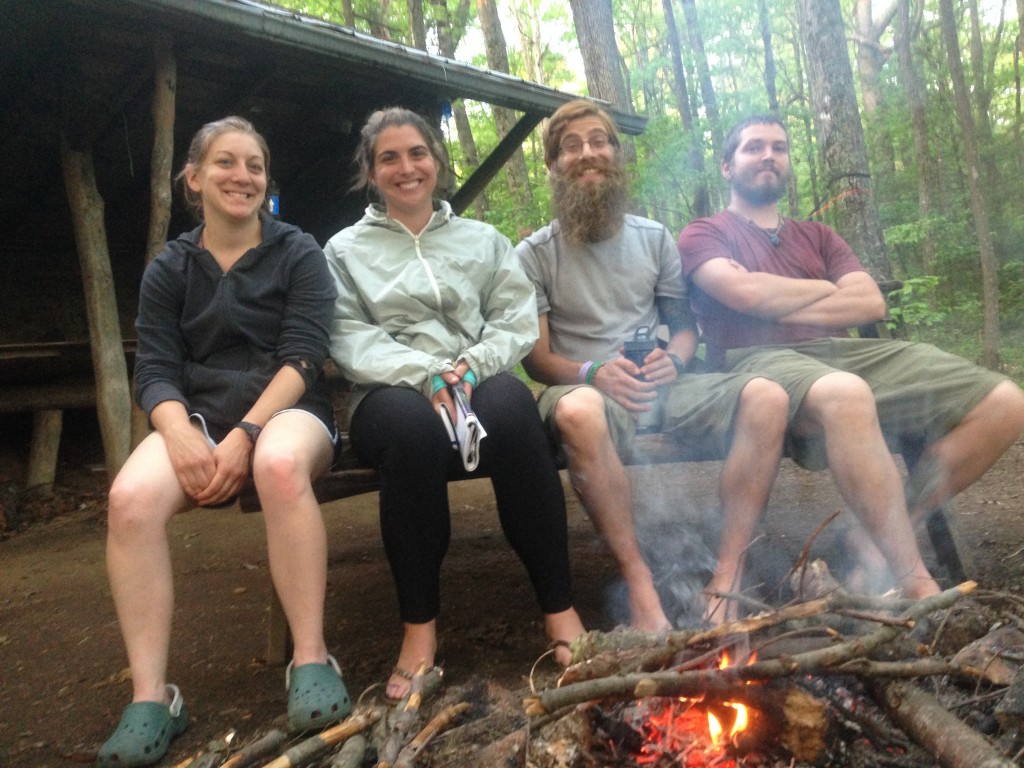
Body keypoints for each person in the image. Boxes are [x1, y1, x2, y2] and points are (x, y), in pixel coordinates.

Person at [678, 114, 1024, 597]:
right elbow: (744, 296)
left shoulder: (819, 236)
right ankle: (914, 580)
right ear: (726, 166)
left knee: (1005, 402)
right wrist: (822, 288)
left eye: (779, 147)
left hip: (844, 354)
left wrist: (779, 292)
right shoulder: (704, 233)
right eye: (754, 147)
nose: (768, 156)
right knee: (845, 394)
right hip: (756, 361)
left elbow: (869, 302)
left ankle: (878, 532)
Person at [98, 117, 350, 767]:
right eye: (225, 163)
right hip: (198, 416)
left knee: (279, 464)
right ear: (194, 178)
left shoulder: (298, 252)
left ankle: (311, 659)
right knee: (127, 498)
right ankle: (154, 698)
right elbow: (153, 369)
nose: (242, 176)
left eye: (255, 165)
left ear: (267, 181)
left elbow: (303, 356)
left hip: (289, 409)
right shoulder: (171, 267)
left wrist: (247, 434)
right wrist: (179, 433)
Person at [324, 107, 585, 703]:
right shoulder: (343, 250)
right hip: (389, 389)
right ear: (370, 170)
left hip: (479, 375)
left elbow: (515, 317)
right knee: (412, 434)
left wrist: (470, 366)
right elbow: (348, 335)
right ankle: (419, 631)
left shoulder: (482, 240)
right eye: (388, 157)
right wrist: (426, 374)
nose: (406, 167)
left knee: (517, 413)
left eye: (417, 153)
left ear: (437, 163)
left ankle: (560, 609)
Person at [516, 99, 790, 627]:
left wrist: (675, 357)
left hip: (665, 382)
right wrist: (593, 373)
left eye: (599, 142)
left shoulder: (655, 238)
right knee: (577, 414)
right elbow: (538, 359)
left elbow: (685, 328)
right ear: (553, 166)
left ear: (617, 155)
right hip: (586, 385)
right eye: (571, 147)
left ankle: (726, 576)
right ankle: (641, 586)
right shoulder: (534, 254)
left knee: (768, 396)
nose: (587, 154)